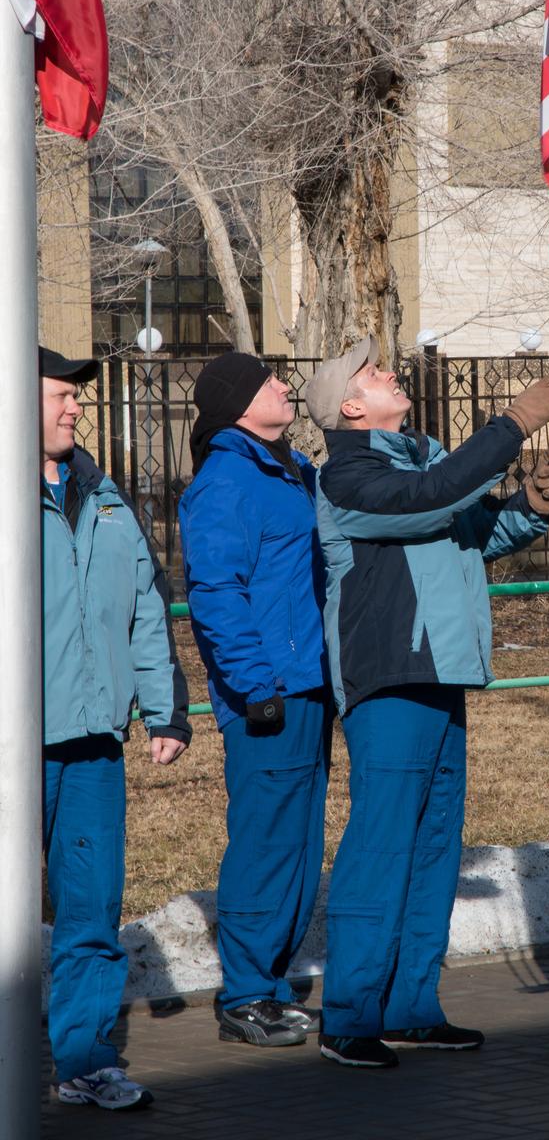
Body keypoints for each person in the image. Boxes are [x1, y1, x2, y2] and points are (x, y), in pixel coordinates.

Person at [304, 337, 549, 1068]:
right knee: (383, 845)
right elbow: (426, 503)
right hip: (390, 679)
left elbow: (470, 530)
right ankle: (349, 1018)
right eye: (371, 371)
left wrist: (533, 502)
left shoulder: (419, 465)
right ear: (351, 407)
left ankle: (409, 1010)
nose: (390, 371)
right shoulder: (347, 476)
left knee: (432, 849)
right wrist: (513, 423)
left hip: (439, 675)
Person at [41, 346, 191, 1112]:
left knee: (91, 910)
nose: (75, 408)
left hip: (92, 744)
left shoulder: (105, 498)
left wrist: (163, 709)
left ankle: (84, 1061)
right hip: (14, 750)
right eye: (60, 395)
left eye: (76, 397)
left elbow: (143, 608)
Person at [179, 353, 333, 1049]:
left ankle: (270, 983)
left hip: (307, 684)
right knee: (266, 844)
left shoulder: (286, 468)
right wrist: (254, 684)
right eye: (270, 380)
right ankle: (245, 992)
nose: (285, 386)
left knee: (297, 842)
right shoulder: (227, 479)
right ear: (240, 403)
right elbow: (215, 592)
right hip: (267, 694)